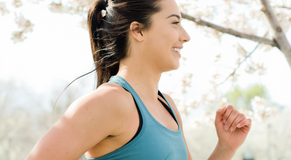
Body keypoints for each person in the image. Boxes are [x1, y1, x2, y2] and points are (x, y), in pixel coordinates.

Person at [26, 0, 252, 159]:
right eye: (175, 22)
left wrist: (225, 148)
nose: (186, 36)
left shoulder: (168, 106)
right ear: (138, 31)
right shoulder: (108, 102)